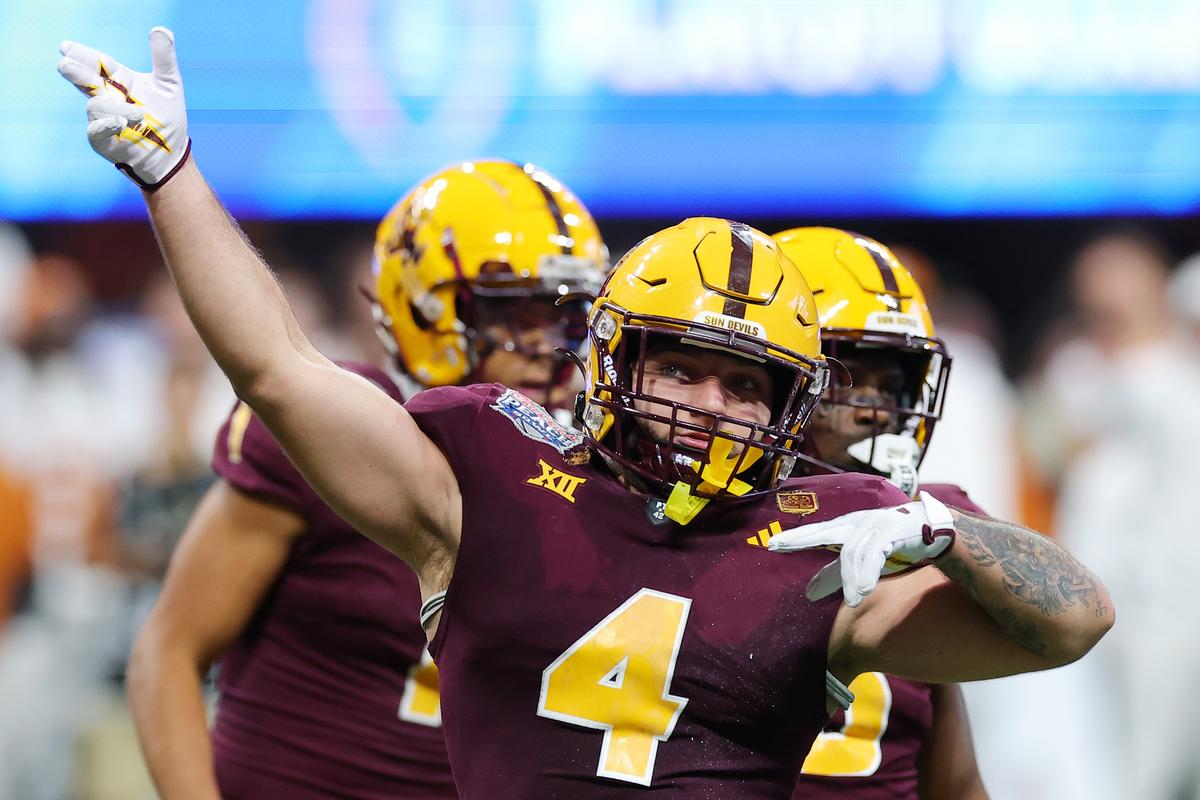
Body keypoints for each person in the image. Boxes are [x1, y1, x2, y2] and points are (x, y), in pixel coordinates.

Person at [58, 29, 1113, 797]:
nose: (710, 406)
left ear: (797, 406)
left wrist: (954, 534)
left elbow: (1075, 624)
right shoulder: (494, 475)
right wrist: (170, 175)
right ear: (612, 361)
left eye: (748, 385)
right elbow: (276, 367)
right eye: (681, 369)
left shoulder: (830, 539)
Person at [125, 159, 607, 799]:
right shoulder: (335, 433)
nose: (550, 348)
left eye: (570, 318)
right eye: (518, 315)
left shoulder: (583, 471)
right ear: (425, 309)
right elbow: (170, 651)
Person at [774, 227, 987, 799]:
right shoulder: (713, 526)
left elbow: (958, 786)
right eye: (848, 380)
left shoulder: (922, 530)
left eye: (891, 386)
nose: (877, 411)